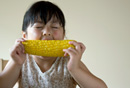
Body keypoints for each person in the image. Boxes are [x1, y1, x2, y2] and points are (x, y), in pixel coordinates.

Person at [0, 1, 107, 88]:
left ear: (63, 34)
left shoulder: (69, 61)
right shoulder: (21, 61)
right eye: (39, 27)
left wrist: (75, 69)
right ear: (25, 36)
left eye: (55, 27)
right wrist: (16, 63)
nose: (47, 31)